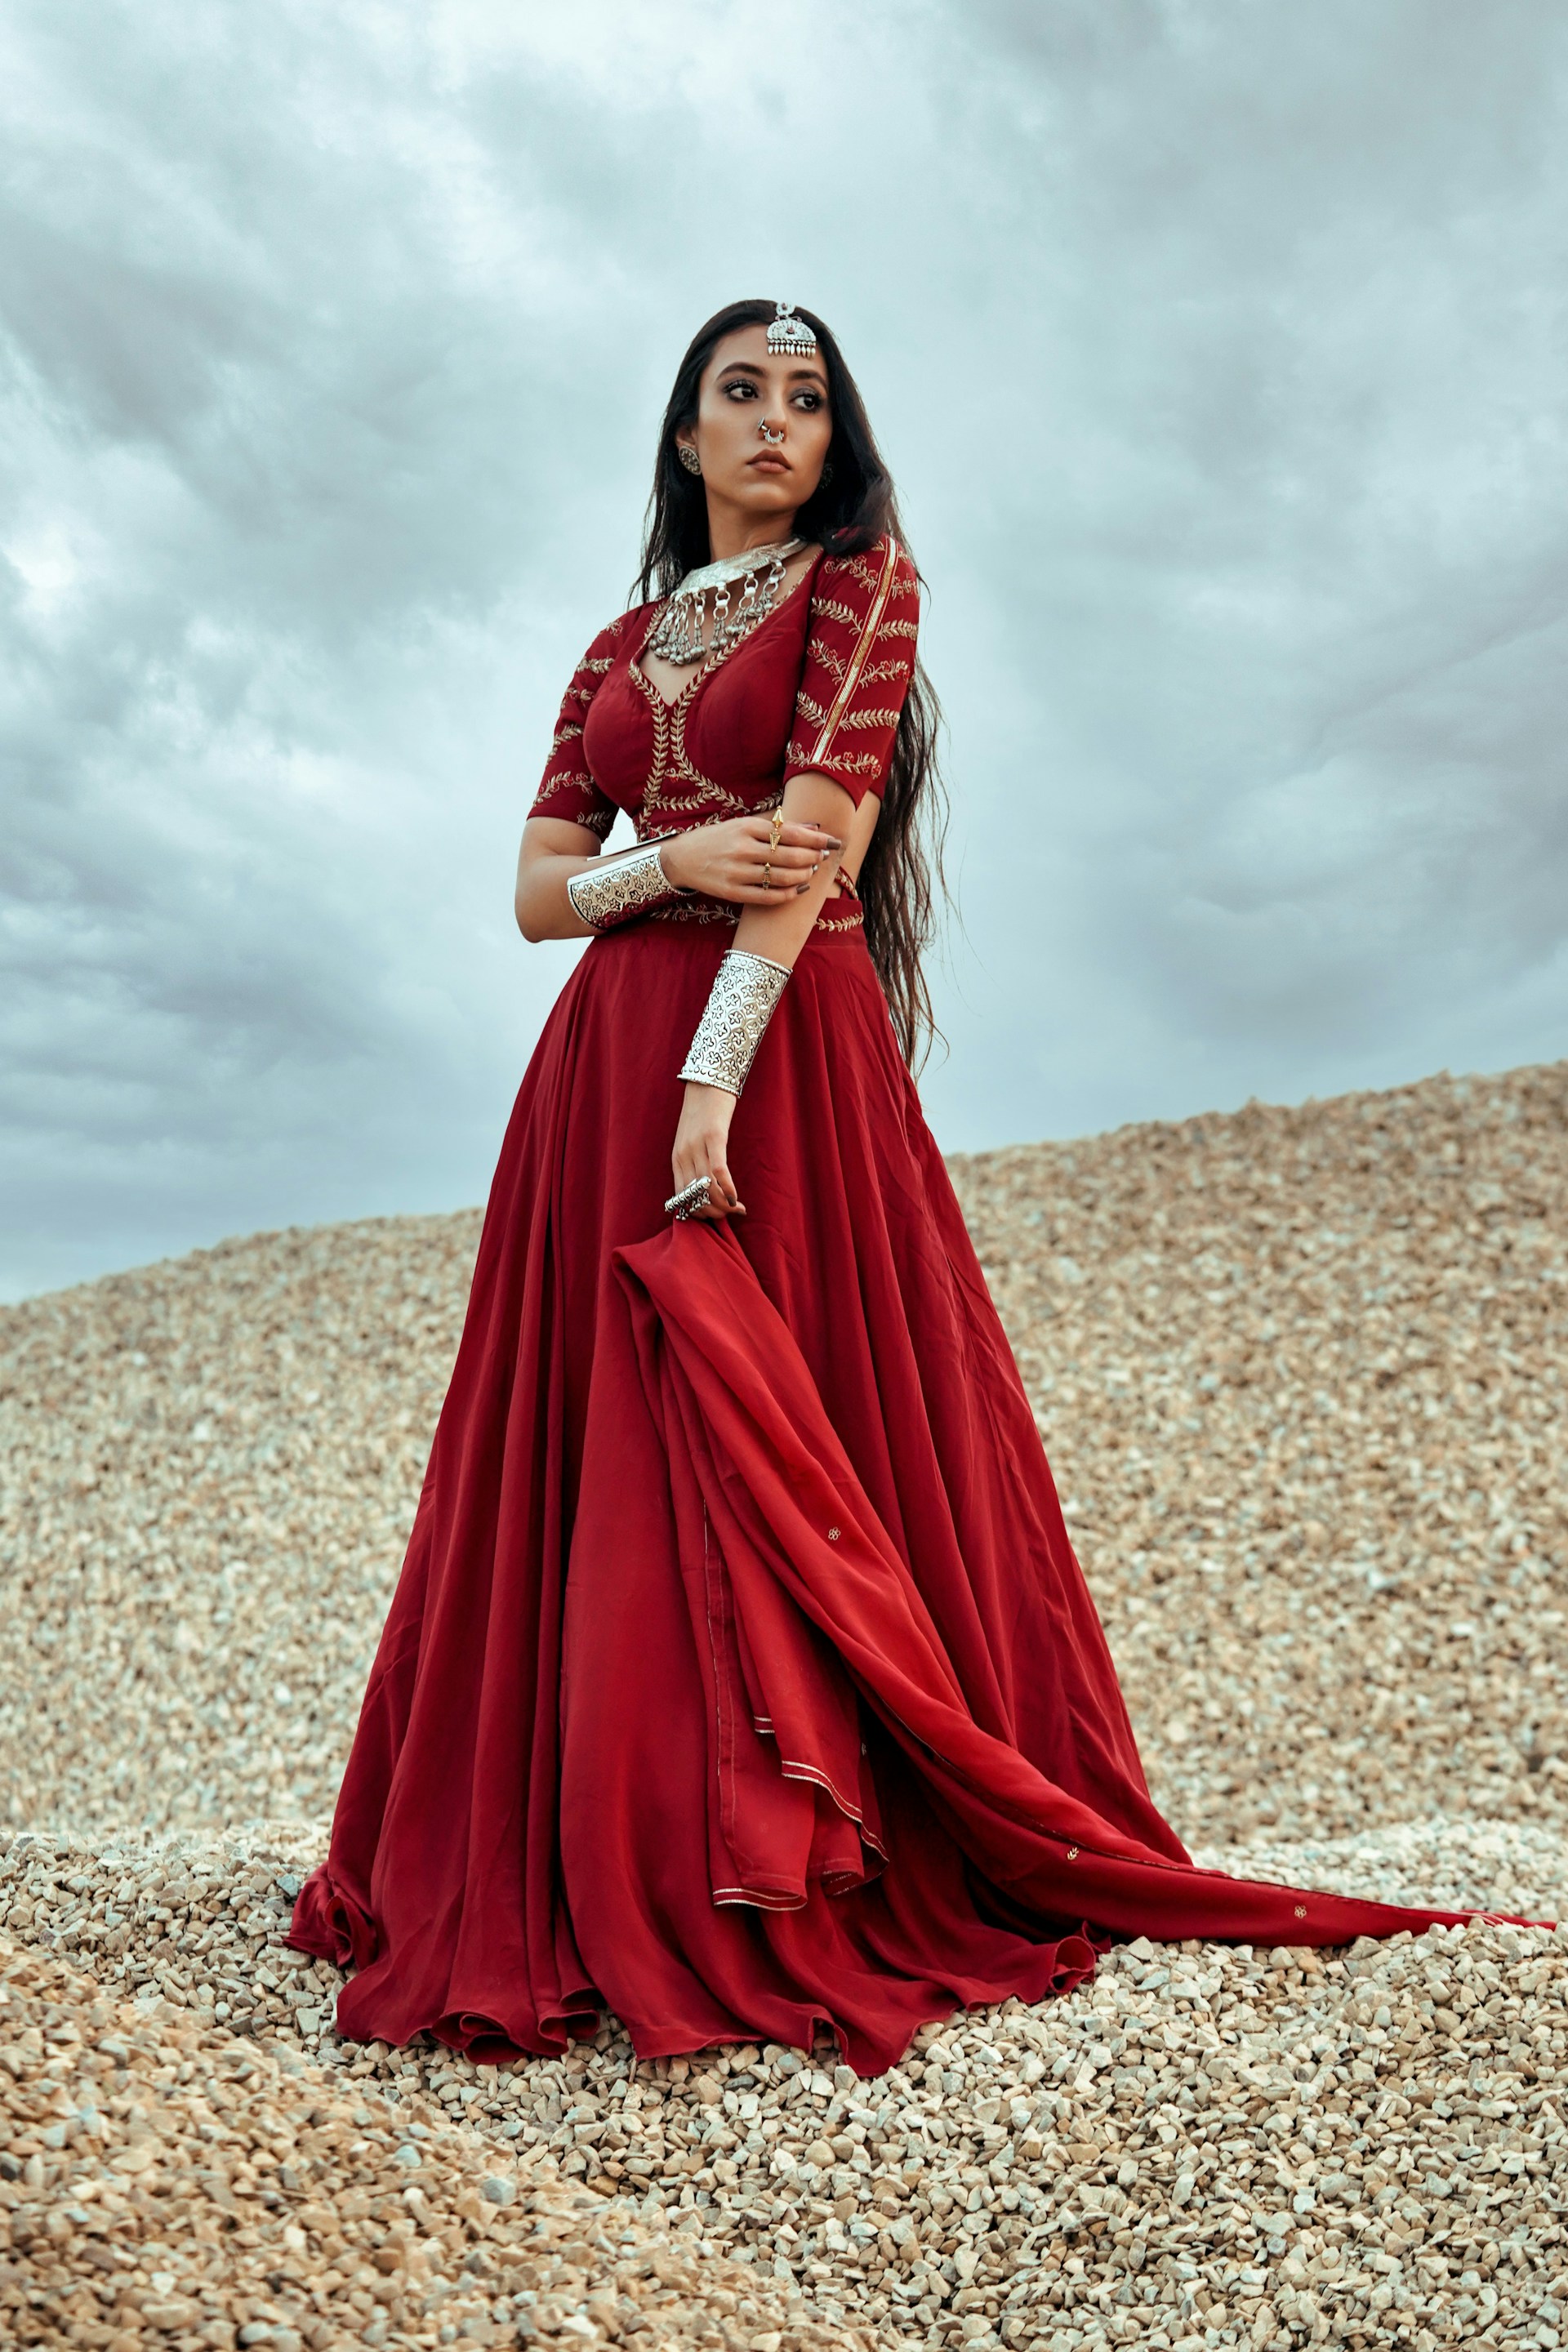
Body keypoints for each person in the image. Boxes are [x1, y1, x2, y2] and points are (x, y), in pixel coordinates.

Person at [289, 299, 1483, 2076]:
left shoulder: (866, 587)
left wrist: (716, 1074)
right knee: (596, 1443)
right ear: (685, 438)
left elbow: (828, 831)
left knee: (810, 1417)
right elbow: (540, 894)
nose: (779, 423)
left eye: (810, 400)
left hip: (769, 1056)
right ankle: (581, 1848)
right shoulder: (613, 648)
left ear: (837, 444)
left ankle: (794, 1863)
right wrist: (671, 859)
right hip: (599, 1064)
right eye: (741, 394)